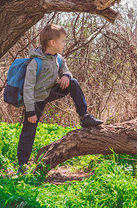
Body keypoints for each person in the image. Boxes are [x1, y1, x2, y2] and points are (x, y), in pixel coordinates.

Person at [16, 24, 103, 172]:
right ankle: (22, 165)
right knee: (29, 130)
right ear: (52, 43)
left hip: (49, 92)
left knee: (73, 83)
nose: (64, 44)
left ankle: (84, 116)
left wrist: (65, 76)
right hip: (35, 100)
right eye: (63, 41)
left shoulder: (59, 59)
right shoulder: (35, 62)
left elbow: (66, 70)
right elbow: (28, 88)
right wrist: (30, 111)